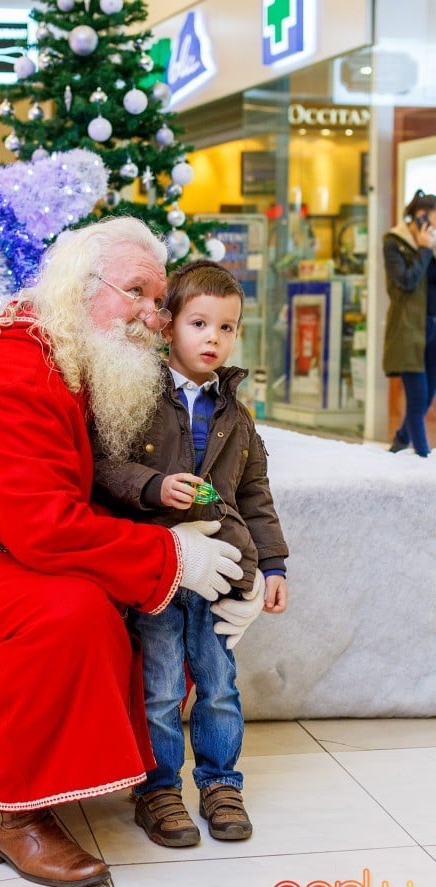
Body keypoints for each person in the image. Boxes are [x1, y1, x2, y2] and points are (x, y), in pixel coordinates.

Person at [0, 217, 263, 887]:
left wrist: (244, 566)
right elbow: (46, 527)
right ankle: (10, 815)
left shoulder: (77, 356)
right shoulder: (12, 371)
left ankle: (3, 732)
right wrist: (172, 558)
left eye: (158, 299)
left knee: (147, 622)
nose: (151, 314)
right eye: (136, 292)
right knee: (72, 614)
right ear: (80, 288)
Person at [92, 260, 289, 848]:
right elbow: (104, 465)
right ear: (168, 325)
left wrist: (273, 566)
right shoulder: (137, 395)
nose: (213, 338)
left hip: (222, 570)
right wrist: (153, 487)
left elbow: (254, 494)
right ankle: (157, 789)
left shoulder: (236, 414)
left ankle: (221, 782)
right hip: (160, 567)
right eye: (199, 323)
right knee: (158, 687)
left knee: (219, 683)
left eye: (227, 328)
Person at [383, 189, 436, 457]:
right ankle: (425, 461)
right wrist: (424, 250)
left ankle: (401, 438)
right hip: (409, 330)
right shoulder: (395, 242)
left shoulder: (432, 245)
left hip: (434, 328)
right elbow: (407, 280)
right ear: (420, 217)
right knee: (417, 399)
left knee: (427, 397)